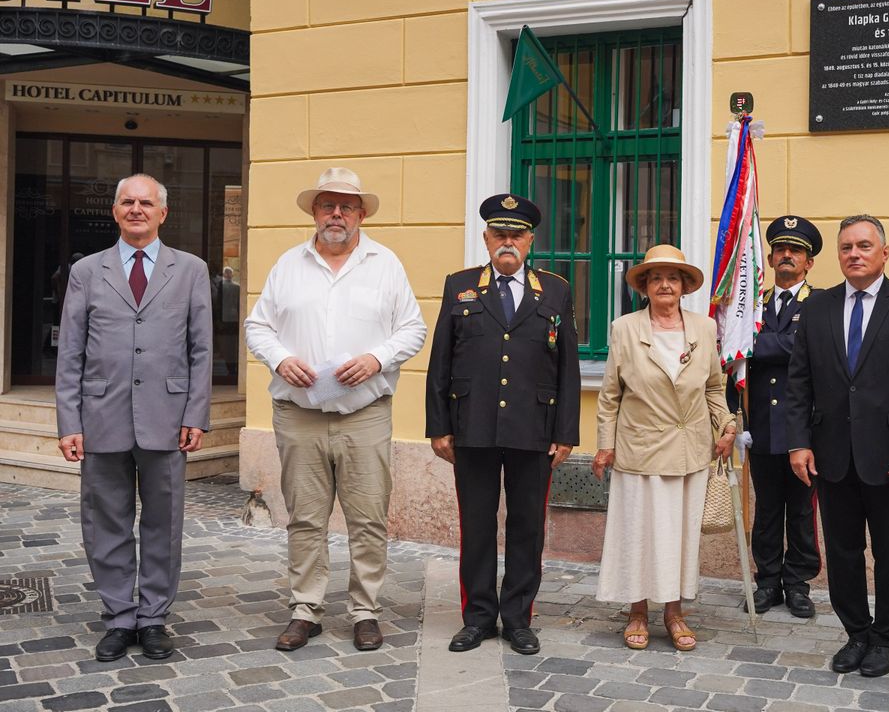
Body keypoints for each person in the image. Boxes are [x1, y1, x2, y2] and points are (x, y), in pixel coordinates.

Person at [245, 167, 427, 652]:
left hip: (365, 414)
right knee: (305, 518)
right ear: (314, 212)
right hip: (299, 413)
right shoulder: (288, 264)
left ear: (361, 214)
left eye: (347, 206)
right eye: (328, 205)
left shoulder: (386, 264)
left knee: (367, 517)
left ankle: (365, 610)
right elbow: (257, 327)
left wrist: (376, 359)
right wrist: (281, 358)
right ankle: (306, 609)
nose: (337, 214)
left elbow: (413, 329)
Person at [55, 173, 212, 662]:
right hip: (101, 415)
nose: (137, 209)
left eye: (147, 203)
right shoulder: (86, 271)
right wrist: (70, 421)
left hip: (168, 416)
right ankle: (120, 617)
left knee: (163, 522)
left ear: (163, 213)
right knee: (106, 521)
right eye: (128, 202)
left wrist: (196, 414)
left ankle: (154, 618)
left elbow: (201, 348)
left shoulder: (191, 270)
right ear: (116, 211)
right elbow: (71, 353)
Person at [787, 214, 889, 678]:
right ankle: (856, 632)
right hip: (831, 454)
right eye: (846, 247)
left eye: (864, 246)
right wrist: (798, 442)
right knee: (842, 550)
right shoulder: (817, 308)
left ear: (884, 252)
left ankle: (884, 638)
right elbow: (799, 382)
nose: (854, 254)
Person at [425, 193, 580, 656]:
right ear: (486, 238)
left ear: (531, 240)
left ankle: (517, 618)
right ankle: (476, 618)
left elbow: (568, 366)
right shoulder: (460, 286)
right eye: (499, 234)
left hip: (534, 427)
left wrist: (565, 432)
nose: (507, 242)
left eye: (517, 234)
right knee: (476, 525)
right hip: (471, 425)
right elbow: (440, 362)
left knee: (527, 525)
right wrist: (438, 426)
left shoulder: (554, 289)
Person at [592, 244, 737, 651]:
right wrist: (605, 445)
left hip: (690, 449)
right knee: (639, 533)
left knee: (679, 536)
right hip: (639, 448)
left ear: (684, 286)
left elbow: (713, 386)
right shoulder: (625, 328)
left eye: (672, 278)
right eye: (655, 278)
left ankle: (674, 612)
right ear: (645, 287)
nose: (664, 285)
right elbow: (609, 396)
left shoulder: (704, 328)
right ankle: (638, 611)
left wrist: (725, 423)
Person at [729, 215, 824, 618]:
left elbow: (802, 348)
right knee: (767, 509)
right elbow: (736, 351)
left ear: (809, 262)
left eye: (796, 251)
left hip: (804, 429)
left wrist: (752, 343)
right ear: (769, 258)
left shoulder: (821, 304)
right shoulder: (752, 305)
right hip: (763, 427)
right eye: (781, 250)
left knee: (802, 511)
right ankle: (767, 580)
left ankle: (798, 583)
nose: (787, 256)